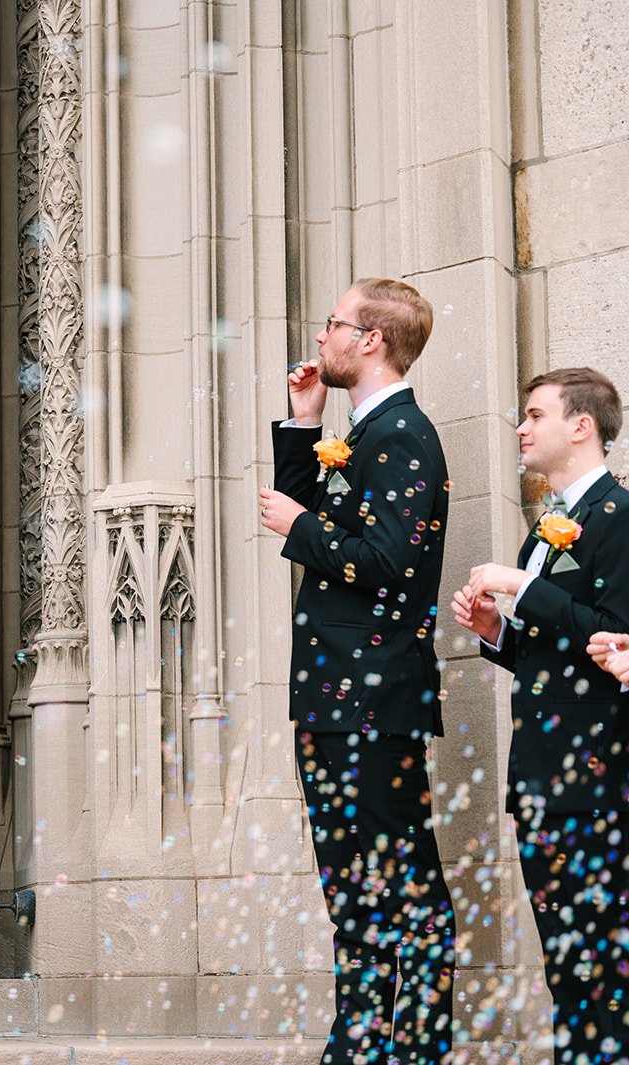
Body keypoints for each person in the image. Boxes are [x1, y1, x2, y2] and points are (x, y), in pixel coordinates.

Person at [257, 280, 454, 1062]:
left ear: (370, 338)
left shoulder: (405, 434)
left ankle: (424, 1040)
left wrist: (302, 523)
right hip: (336, 695)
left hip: (374, 695)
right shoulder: (360, 430)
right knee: (349, 878)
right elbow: (321, 528)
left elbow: (389, 562)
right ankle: (362, 1036)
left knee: (402, 873)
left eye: (335, 323)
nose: (323, 335)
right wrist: (305, 427)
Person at [452, 367, 629, 1063]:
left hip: (596, 782)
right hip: (542, 782)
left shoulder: (619, 518)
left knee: (599, 967)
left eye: (534, 414)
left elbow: (613, 634)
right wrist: (497, 629)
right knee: (567, 969)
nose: (520, 428)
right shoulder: (545, 531)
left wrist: (524, 587)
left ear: (580, 425)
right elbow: (547, 657)